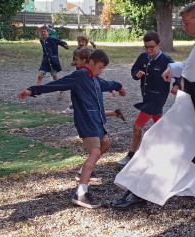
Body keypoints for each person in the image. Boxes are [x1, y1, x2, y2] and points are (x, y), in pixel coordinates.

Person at [111, 2, 195, 209]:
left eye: (186, 23)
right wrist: (173, 67)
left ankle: (142, 191)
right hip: (191, 103)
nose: (184, 27)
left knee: (156, 140)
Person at [19, 49, 126, 208]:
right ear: (91, 63)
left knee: (106, 144)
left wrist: (119, 86)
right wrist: (32, 90)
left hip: (96, 121)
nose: (101, 71)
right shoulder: (81, 75)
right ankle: (81, 194)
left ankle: (83, 170)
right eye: (100, 67)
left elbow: (108, 84)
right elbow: (56, 84)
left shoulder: (95, 79)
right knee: (95, 152)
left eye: (103, 68)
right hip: (86, 121)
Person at [116, 31, 180, 167]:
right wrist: (136, 74)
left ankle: (131, 155)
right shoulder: (143, 57)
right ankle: (173, 153)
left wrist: (176, 85)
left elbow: (179, 74)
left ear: (159, 45)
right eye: (146, 47)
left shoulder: (167, 61)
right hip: (147, 97)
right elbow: (134, 70)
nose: (149, 50)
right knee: (161, 127)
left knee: (137, 126)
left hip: (157, 99)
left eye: (152, 47)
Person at [36, 25, 69, 100]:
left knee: (55, 77)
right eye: (42, 32)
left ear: (48, 32)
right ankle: (36, 90)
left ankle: (62, 90)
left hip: (52, 62)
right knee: (40, 76)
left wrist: (65, 45)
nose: (43, 33)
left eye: (44, 32)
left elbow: (59, 41)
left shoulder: (51, 39)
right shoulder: (41, 40)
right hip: (45, 62)